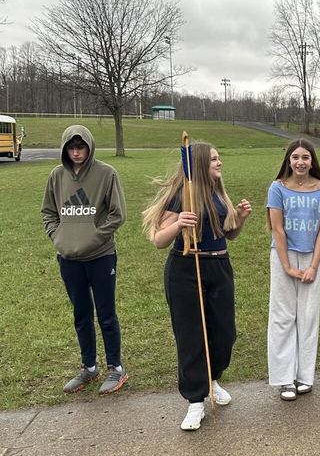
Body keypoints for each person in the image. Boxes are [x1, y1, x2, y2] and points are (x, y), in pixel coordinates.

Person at [142, 142, 251, 431]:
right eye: (214, 159)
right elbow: (158, 240)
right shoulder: (182, 195)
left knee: (224, 333)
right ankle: (195, 401)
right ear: (199, 164)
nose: (219, 163)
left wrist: (239, 218)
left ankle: (213, 379)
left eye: (219, 157)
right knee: (191, 335)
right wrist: (178, 224)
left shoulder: (218, 193)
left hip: (218, 267)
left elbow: (229, 235)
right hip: (186, 268)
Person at [42, 125, 128, 396]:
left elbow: (117, 215)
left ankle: (116, 367)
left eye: (81, 147)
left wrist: (93, 238)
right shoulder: (56, 176)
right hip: (68, 259)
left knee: (106, 314)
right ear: (65, 149)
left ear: (89, 148)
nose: (77, 152)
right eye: (72, 148)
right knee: (81, 314)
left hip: (101, 257)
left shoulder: (106, 174)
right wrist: (59, 238)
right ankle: (90, 367)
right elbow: (48, 212)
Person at [267, 139, 320, 400]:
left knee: (308, 316)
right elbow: (277, 229)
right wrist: (287, 266)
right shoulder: (277, 188)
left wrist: (314, 266)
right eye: (295, 157)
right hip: (284, 257)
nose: (300, 162)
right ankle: (285, 378)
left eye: (306, 157)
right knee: (283, 317)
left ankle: (305, 375)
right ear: (288, 161)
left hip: (311, 258)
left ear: (312, 161)